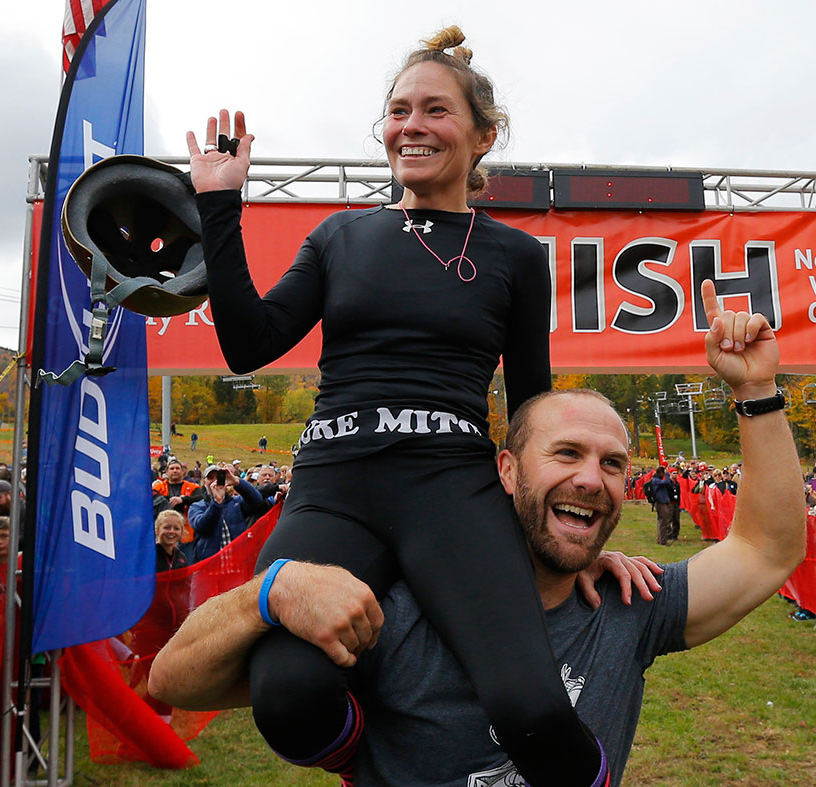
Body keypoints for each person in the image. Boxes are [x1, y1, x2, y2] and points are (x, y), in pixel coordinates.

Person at [150, 280, 805, 783]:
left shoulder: (627, 607)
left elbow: (766, 548)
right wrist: (269, 589)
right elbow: (173, 681)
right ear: (508, 471)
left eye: (612, 464)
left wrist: (758, 390)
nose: (591, 478)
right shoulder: (396, 612)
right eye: (567, 453)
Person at [183, 27, 609, 786]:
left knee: (533, 714)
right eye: (398, 110)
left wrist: (564, 524)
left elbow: (533, 403)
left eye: (435, 110)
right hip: (336, 484)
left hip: (454, 487)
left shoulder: (515, 256)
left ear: (483, 136)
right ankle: (368, 764)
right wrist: (220, 203)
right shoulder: (342, 235)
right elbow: (250, 343)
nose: (411, 125)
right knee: (287, 695)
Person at [187, 464, 268, 563]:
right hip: (210, 565)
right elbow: (201, 526)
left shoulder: (236, 502)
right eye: (210, 478)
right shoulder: (196, 507)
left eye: (218, 477)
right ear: (204, 483)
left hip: (238, 562)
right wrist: (216, 503)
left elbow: (257, 501)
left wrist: (237, 482)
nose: (214, 481)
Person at [649, 466, 680, 545]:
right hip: (660, 503)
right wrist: (666, 474)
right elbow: (666, 482)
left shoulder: (657, 480)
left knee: (662, 521)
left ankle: (661, 539)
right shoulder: (655, 480)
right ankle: (663, 540)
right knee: (663, 522)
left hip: (663, 502)